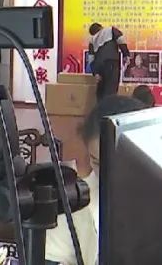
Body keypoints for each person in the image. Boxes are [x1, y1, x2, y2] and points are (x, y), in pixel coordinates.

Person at [45, 95, 147, 265]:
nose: (107, 174)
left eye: (117, 164)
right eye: (97, 162)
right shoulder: (76, 201)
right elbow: (52, 258)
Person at [87, 23, 130, 99]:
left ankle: (101, 106)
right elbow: (121, 40)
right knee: (111, 90)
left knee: (101, 91)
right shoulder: (110, 30)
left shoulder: (92, 40)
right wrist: (126, 54)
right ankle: (109, 105)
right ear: (101, 27)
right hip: (111, 63)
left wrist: (95, 73)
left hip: (99, 66)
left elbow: (91, 59)